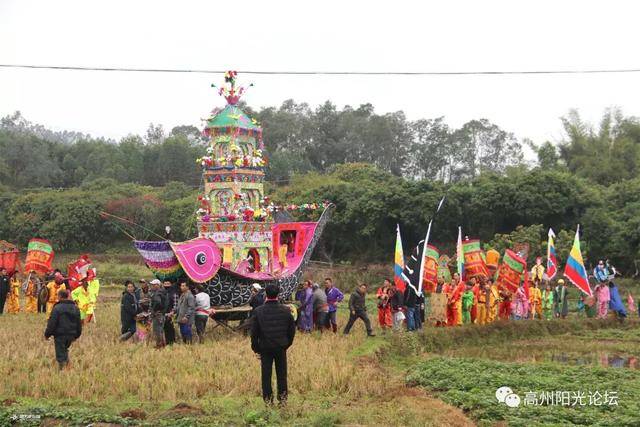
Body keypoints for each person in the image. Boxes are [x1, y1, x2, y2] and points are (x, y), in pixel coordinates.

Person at [251, 283, 296, 405]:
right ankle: (282, 400)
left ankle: (268, 401)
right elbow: (292, 331)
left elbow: (254, 333)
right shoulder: (286, 311)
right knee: (282, 375)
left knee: (266, 375)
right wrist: (286, 344)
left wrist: (256, 349)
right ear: (278, 294)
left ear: (266, 294)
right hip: (281, 347)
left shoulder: (258, 311)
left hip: (265, 348)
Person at [44, 289, 82, 370]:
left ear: (59, 296)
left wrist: (47, 334)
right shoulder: (75, 308)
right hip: (72, 335)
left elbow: (52, 323)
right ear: (68, 296)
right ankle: (68, 366)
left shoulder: (57, 308)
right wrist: (77, 335)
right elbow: (79, 323)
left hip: (60, 335)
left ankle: (62, 370)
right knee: (65, 350)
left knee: (61, 354)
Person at [149, 279, 166, 348]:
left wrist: (154, 310)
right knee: (160, 330)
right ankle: (162, 344)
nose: (152, 286)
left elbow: (158, 302)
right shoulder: (163, 292)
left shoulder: (157, 293)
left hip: (158, 314)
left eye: (153, 285)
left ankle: (159, 345)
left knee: (157, 330)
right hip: (162, 314)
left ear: (157, 285)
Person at [162, 280, 179, 345]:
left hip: (172, 314)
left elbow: (176, 304)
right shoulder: (162, 293)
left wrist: (172, 312)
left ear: (171, 284)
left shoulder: (174, 293)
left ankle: (173, 342)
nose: (166, 285)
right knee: (165, 329)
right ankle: (167, 343)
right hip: (164, 314)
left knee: (171, 329)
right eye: (165, 283)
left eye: (168, 283)